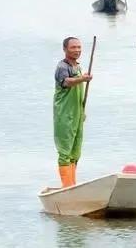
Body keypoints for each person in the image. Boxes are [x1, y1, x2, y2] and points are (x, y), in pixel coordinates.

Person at [53, 37, 92, 187]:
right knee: (65, 151)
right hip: (64, 115)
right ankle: (67, 186)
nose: (77, 50)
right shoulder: (62, 67)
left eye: (79, 47)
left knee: (76, 151)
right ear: (65, 49)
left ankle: (72, 184)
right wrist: (82, 79)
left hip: (77, 114)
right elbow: (66, 82)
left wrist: (82, 110)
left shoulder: (78, 67)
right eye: (73, 47)